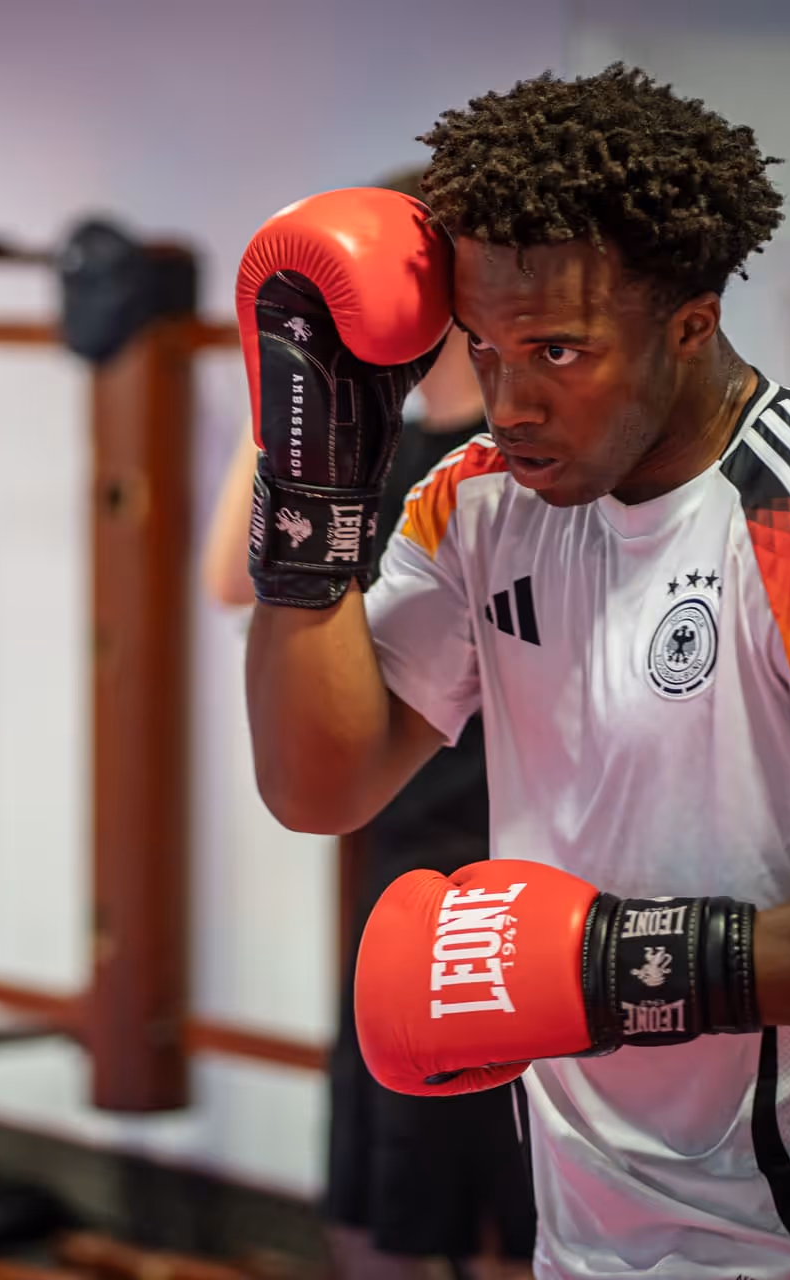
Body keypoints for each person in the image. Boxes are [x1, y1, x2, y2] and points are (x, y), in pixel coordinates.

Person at [234, 66, 790, 1280]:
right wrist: (310, 502)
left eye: (557, 350)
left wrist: (616, 967)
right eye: (483, 347)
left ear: (691, 327)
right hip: (586, 1215)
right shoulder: (478, 503)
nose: (509, 402)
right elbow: (320, 783)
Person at [204, 170, 535, 1280]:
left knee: (516, 1202)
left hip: (516, 845)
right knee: (383, 1192)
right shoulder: (374, 446)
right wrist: (291, 404)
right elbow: (229, 575)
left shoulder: (515, 458)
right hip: (399, 840)